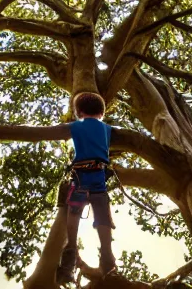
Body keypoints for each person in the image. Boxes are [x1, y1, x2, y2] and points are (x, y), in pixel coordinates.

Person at [54, 91, 116, 284]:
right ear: (102, 112)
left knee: (73, 211)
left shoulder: (74, 126)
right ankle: (107, 255)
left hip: (80, 177)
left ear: (79, 111)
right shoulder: (107, 129)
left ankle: (70, 253)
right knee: (102, 214)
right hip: (98, 177)